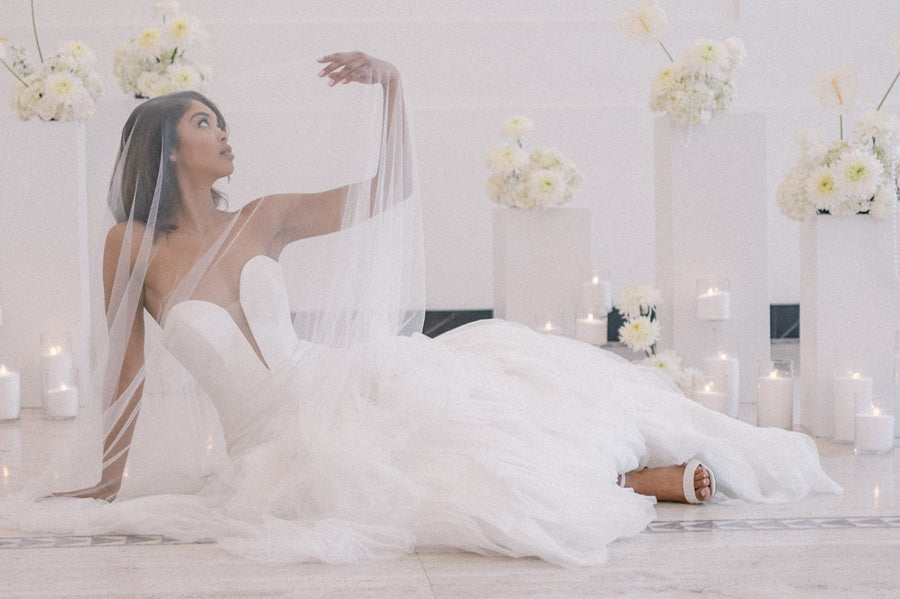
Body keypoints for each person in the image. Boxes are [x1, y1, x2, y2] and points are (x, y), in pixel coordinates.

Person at [6, 52, 840, 567]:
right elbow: (124, 368)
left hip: (337, 382)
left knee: (487, 402)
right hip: (269, 444)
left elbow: (391, 188)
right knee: (417, 487)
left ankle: (635, 470)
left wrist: (393, 88)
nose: (224, 134)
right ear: (164, 146)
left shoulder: (264, 216)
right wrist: (105, 484)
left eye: (223, 122)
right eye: (203, 122)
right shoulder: (132, 246)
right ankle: (632, 481)